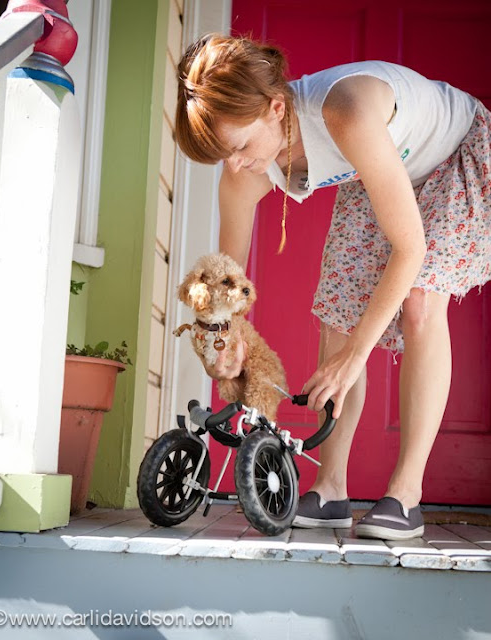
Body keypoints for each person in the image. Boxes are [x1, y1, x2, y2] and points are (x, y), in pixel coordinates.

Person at [175, 34, 491, 540]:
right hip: (384, 170)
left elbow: (410, 249)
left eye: (238, 147)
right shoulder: (243, 169)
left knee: (419, 303)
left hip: (454, 154)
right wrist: (225, 336)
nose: (233, 165)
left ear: (277, 107)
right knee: (339, 313)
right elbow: (227, 273)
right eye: (220, 155)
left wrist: (355, 358)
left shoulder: (343, 111)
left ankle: (406, 495)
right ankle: (331, 487)